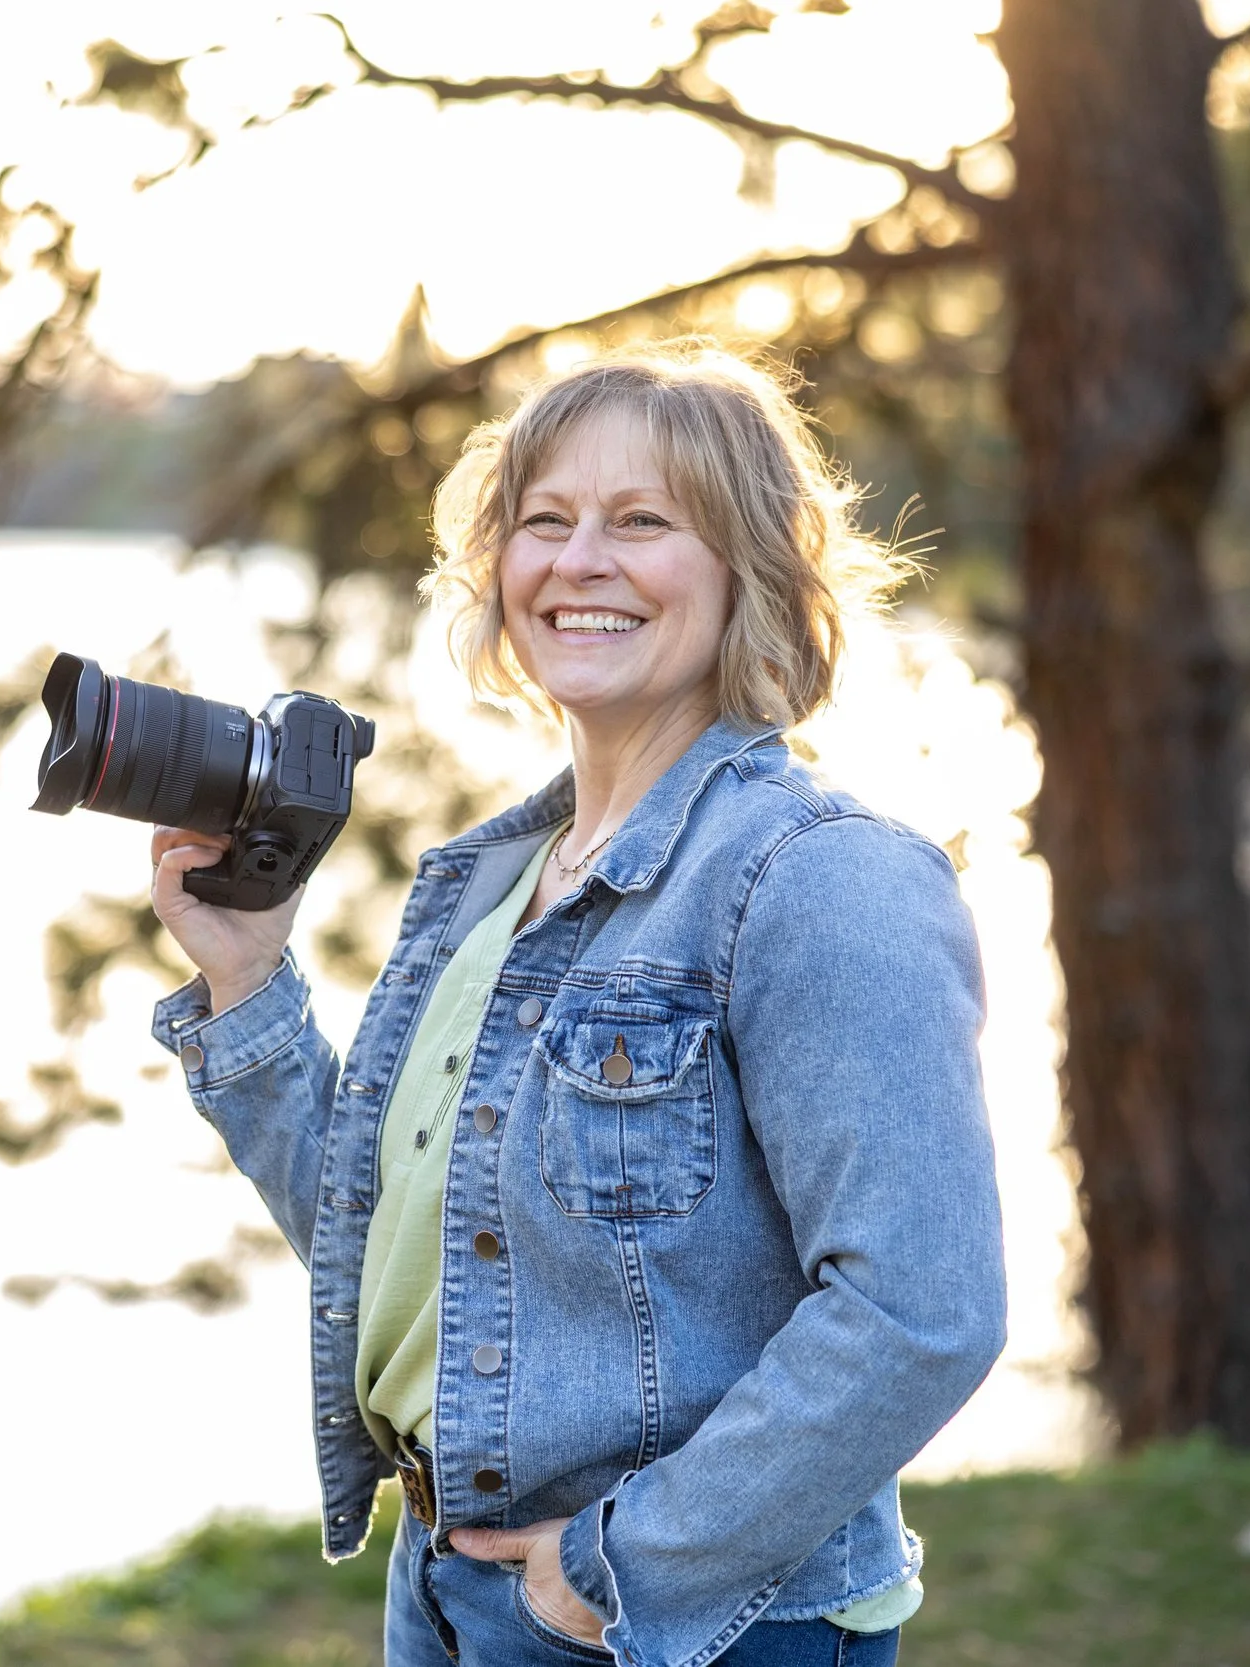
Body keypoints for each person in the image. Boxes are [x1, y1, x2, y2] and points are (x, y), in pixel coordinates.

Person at [147, 343, 1006, 1667]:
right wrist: (247, 975)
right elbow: (399, 1248)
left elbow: (922, 1308)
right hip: (448, 1590)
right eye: (544, 521)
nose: (580, 559)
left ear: (751, 570)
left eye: (643, 521)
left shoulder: (820, 877)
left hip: (690, 1623)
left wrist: (616, 1566)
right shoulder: (492, 889)